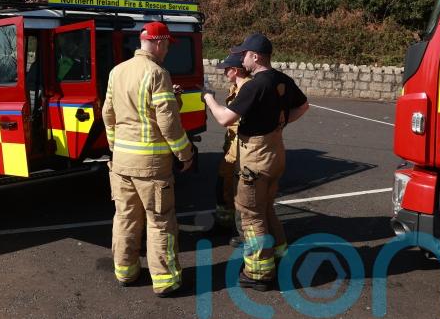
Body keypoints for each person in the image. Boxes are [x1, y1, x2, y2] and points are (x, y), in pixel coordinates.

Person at [202, 33, 309, 291]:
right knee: (266, 208)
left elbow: (225, 119)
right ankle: (280, 253)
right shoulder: (282, 80)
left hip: (255, 159)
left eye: (245, 54)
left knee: (251, 215)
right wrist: (281, 123)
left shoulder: (255, 85)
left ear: (256, 56)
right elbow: (303, 106)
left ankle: (259, 273)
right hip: (275, 154)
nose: (242, 59)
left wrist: (207, 98)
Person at [101, 21, 195, 297]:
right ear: (157, 42)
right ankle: (165, 280)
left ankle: (125, 271)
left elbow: (108, 112)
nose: (167, 50)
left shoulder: (117, 71)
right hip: (151, 166)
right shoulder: (158, 73)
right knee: (160, 221)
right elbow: (167, 122)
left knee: (125, 217)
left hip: (121, 163)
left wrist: (115, 145)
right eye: (166, 45)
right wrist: (184, 153)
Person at [213, 53, 251, 246]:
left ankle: (243, 234)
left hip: (241, 151)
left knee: (240, 193)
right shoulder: (235, 87)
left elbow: (228, 119)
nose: (224, 72)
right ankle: (223, 224)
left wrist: (209, 100)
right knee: (223, 188)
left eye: (226, 69)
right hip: (231, 149)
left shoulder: (247, 89)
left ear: (235, 71)